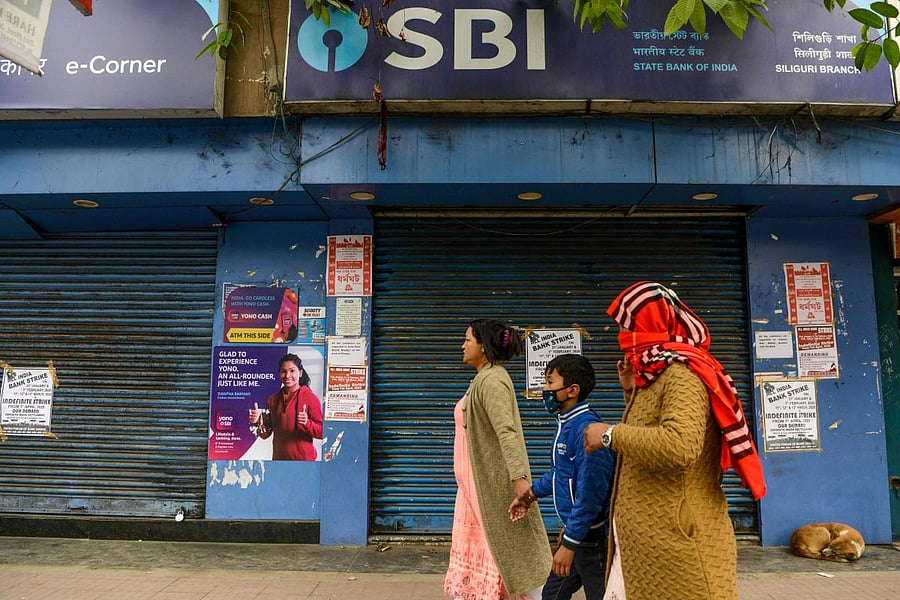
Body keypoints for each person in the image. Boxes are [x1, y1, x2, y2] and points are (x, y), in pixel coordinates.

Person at [583, 281, 767, 600]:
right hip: (653, 547)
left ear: (652, 326)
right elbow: (651, 429)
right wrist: (630, 390)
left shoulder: (682, 375)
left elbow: (679, 445)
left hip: (679, 545)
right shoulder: (656, 374)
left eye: (630, 327)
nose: (623, 337)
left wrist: (610, 434)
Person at [443, 319, 553, 600]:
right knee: (498, 552)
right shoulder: (483, 379)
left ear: (483, 346)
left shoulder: (492, 381)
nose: (463, 345)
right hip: (473, 488)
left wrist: (519, 479)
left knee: (509, 551)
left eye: (468, 339)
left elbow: (507, 432)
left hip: (489, 489)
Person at [509, 354, 615, 600]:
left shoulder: (586, 430)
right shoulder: (567, 425)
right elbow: (562, 474)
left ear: (572, 390)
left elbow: (590, 494)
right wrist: (530, 495)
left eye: (549, 383)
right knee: (552, 596)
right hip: (577, 534)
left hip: (590, 538)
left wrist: (569, 544)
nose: (544, 390)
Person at [249, 353, 323, 460]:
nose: (287, 375)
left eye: (292, 371)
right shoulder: (272, 400)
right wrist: (257, 421)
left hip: (304, 463)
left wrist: (307, 424)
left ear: (300, 373)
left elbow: (322, 433)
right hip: (279, 462)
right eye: (283, 371)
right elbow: (265, 435)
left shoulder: (310, 398)